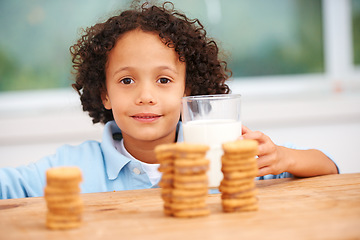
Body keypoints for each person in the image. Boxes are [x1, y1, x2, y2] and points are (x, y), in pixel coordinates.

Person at [0, 2, 338, 199]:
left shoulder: (222, 153)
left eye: (163, 80)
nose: (145, 96)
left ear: (187, 91)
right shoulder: (72, 169)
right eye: (127, 80)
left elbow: (328, 168)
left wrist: (280, 158)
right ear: (104, 93)